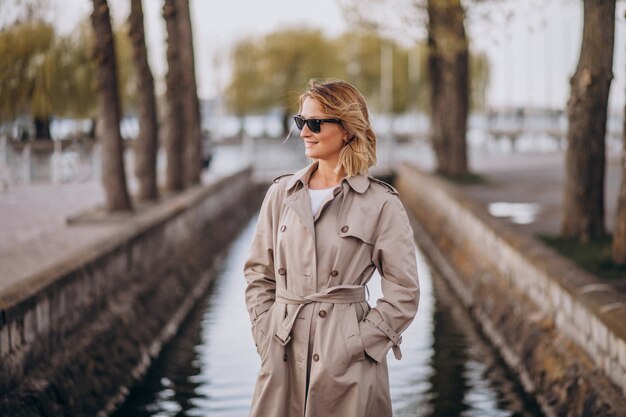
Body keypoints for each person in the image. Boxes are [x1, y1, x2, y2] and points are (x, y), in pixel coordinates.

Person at [244, 79, 420, 417]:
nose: (304, 132)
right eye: (301, 122)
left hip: (348, 363)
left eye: (314, 123)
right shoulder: (281, 193)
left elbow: (404, 291)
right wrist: (265, 332)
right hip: (282, 349)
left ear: (347, 129)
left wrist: (358, 343)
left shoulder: (381, 203)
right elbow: (258, 273)